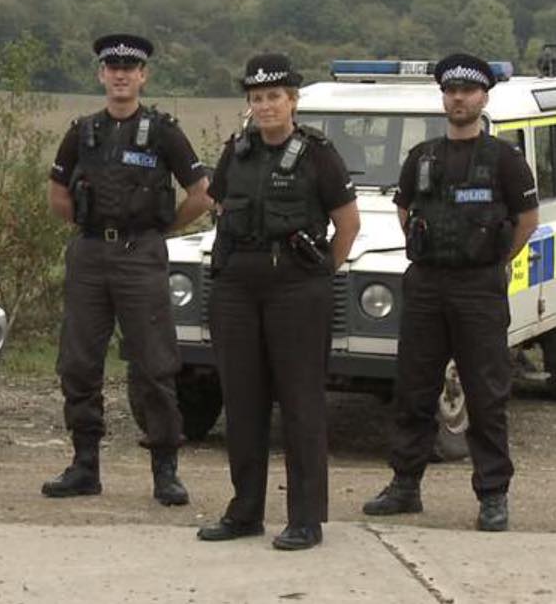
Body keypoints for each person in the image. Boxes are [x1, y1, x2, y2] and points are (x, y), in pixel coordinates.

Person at [362, 54, 538, 532]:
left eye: (468, 91)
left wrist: (494, 259)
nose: (459, 98)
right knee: (414, 389)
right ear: (444, 97)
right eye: (451, 91)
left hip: (478, 288)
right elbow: (404, 211)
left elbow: (526, 221)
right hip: (426, 284)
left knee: (486, 393)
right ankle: (405, 485)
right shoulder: (423, 157)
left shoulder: (504, 160)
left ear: (483, 98)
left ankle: (493, 494)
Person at [198, 54, 360, 550]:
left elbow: (348, 224)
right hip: (237, 288)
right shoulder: (237, 152)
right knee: (242, 402)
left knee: (300, 403)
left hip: (297, 289)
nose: (266, 105)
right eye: (257, 97)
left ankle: (305, 519)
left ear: (293, 101)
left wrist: (317, 273)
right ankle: (245, 511)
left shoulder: (318, 155)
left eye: (275, 96)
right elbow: (218, 206)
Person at [42, 34, 212, 506]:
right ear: (101, 74)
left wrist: (160, 229)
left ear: (143, 76)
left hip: (141, 255)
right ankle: (84, 466)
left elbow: (201, 192)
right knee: (78, 363)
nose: (120, 75)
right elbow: (57, 193)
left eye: (129, 68)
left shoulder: (163, 132)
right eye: (112, 67)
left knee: (154, 365)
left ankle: (165, 470)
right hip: (90, 255)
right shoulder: (82, 132)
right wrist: (92, 230)